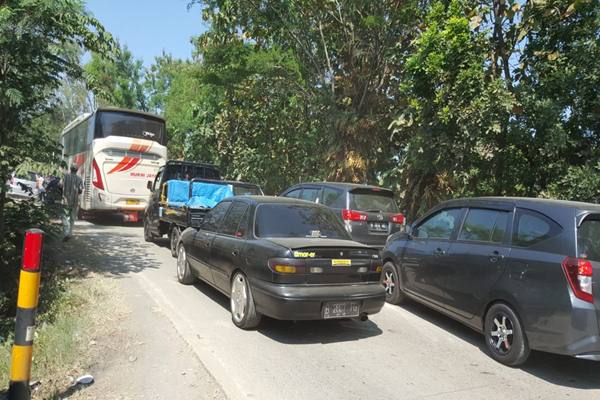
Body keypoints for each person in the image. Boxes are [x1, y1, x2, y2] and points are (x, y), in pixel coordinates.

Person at [61, 165, 83, 241]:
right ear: (77, 170)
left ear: (70, 169)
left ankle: (66, 232)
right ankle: (70, 233)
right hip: (75, 201)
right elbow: (80, 190)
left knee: (64, 215)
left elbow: (60, 185)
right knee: (72, 217)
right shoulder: (79, 178)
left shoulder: (65, 176)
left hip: (65, 200)